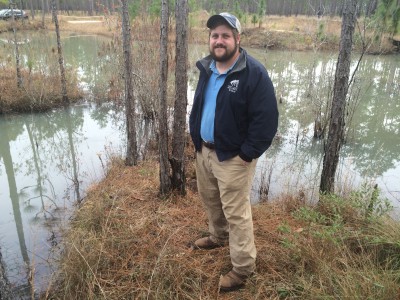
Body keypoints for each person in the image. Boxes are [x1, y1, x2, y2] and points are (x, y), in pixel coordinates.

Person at [189, 12, 279, 292]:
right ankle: (217, 236)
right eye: (215, 35)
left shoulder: (254, 73)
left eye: (225, 35)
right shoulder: (208, 68)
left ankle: (242, 269)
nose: (219, 40)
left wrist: (247, 154)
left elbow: (266, 121)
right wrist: (197, 144)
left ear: (237, 39)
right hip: (205, 152)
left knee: (237, 213)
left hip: (234, 159)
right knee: (210, 199)